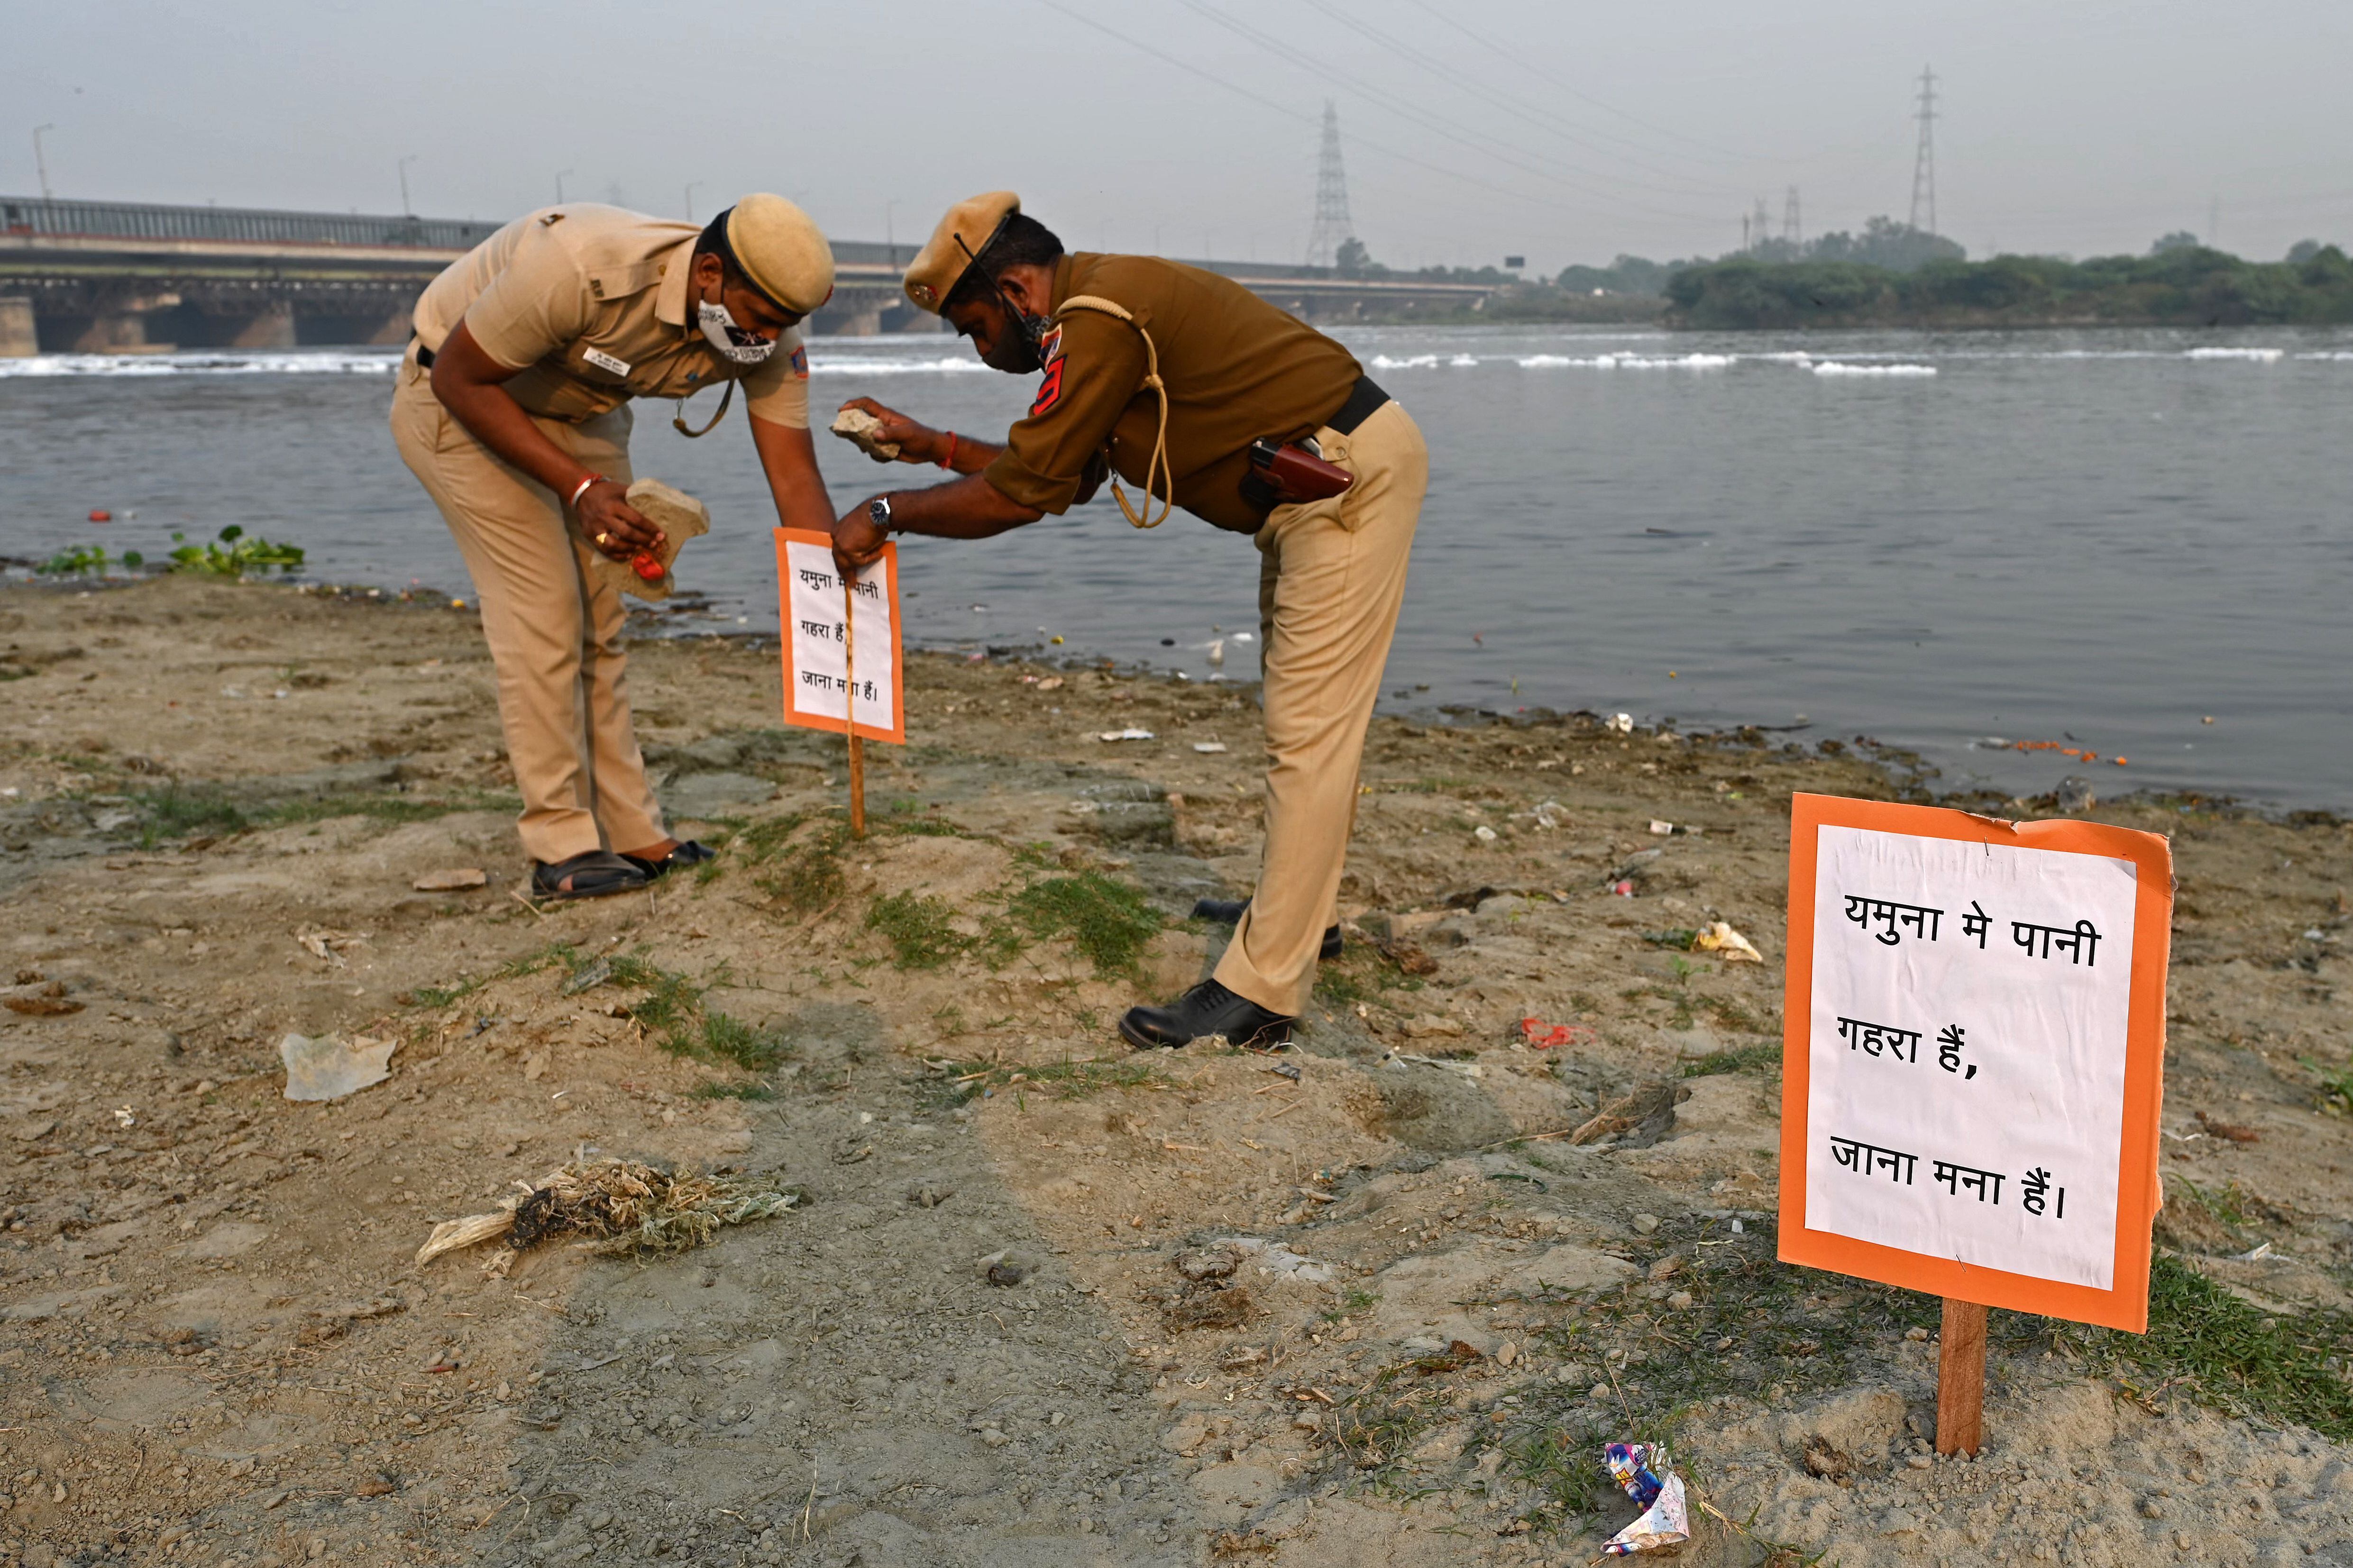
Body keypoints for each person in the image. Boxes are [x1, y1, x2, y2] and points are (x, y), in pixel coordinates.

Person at [831, 192, 1426, 1049]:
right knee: (1305, 724)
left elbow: (1023, 496)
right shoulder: (1094, 310)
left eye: (974, 328)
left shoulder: (1097, 318)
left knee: (1309, 734)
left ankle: (1263, 991)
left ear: (1015, 291)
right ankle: (1301, 918)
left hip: (1343, 486)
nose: (979, 347)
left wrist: (886, 510)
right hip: (1312, 490)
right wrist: (930, 447)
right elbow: (1059, 473)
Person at [392, 196, 838, 899]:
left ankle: (635, 835)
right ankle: (561, 847)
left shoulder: (769, 334)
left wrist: (835, 593)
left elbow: (794, 474)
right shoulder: (580, 268)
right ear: (711, 273)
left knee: (604, 620)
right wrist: (579, 489)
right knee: (543, 615)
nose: (768, 338)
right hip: (462, 398)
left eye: (787, 324)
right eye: (760, 318)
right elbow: (459, 377)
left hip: (583, 411)